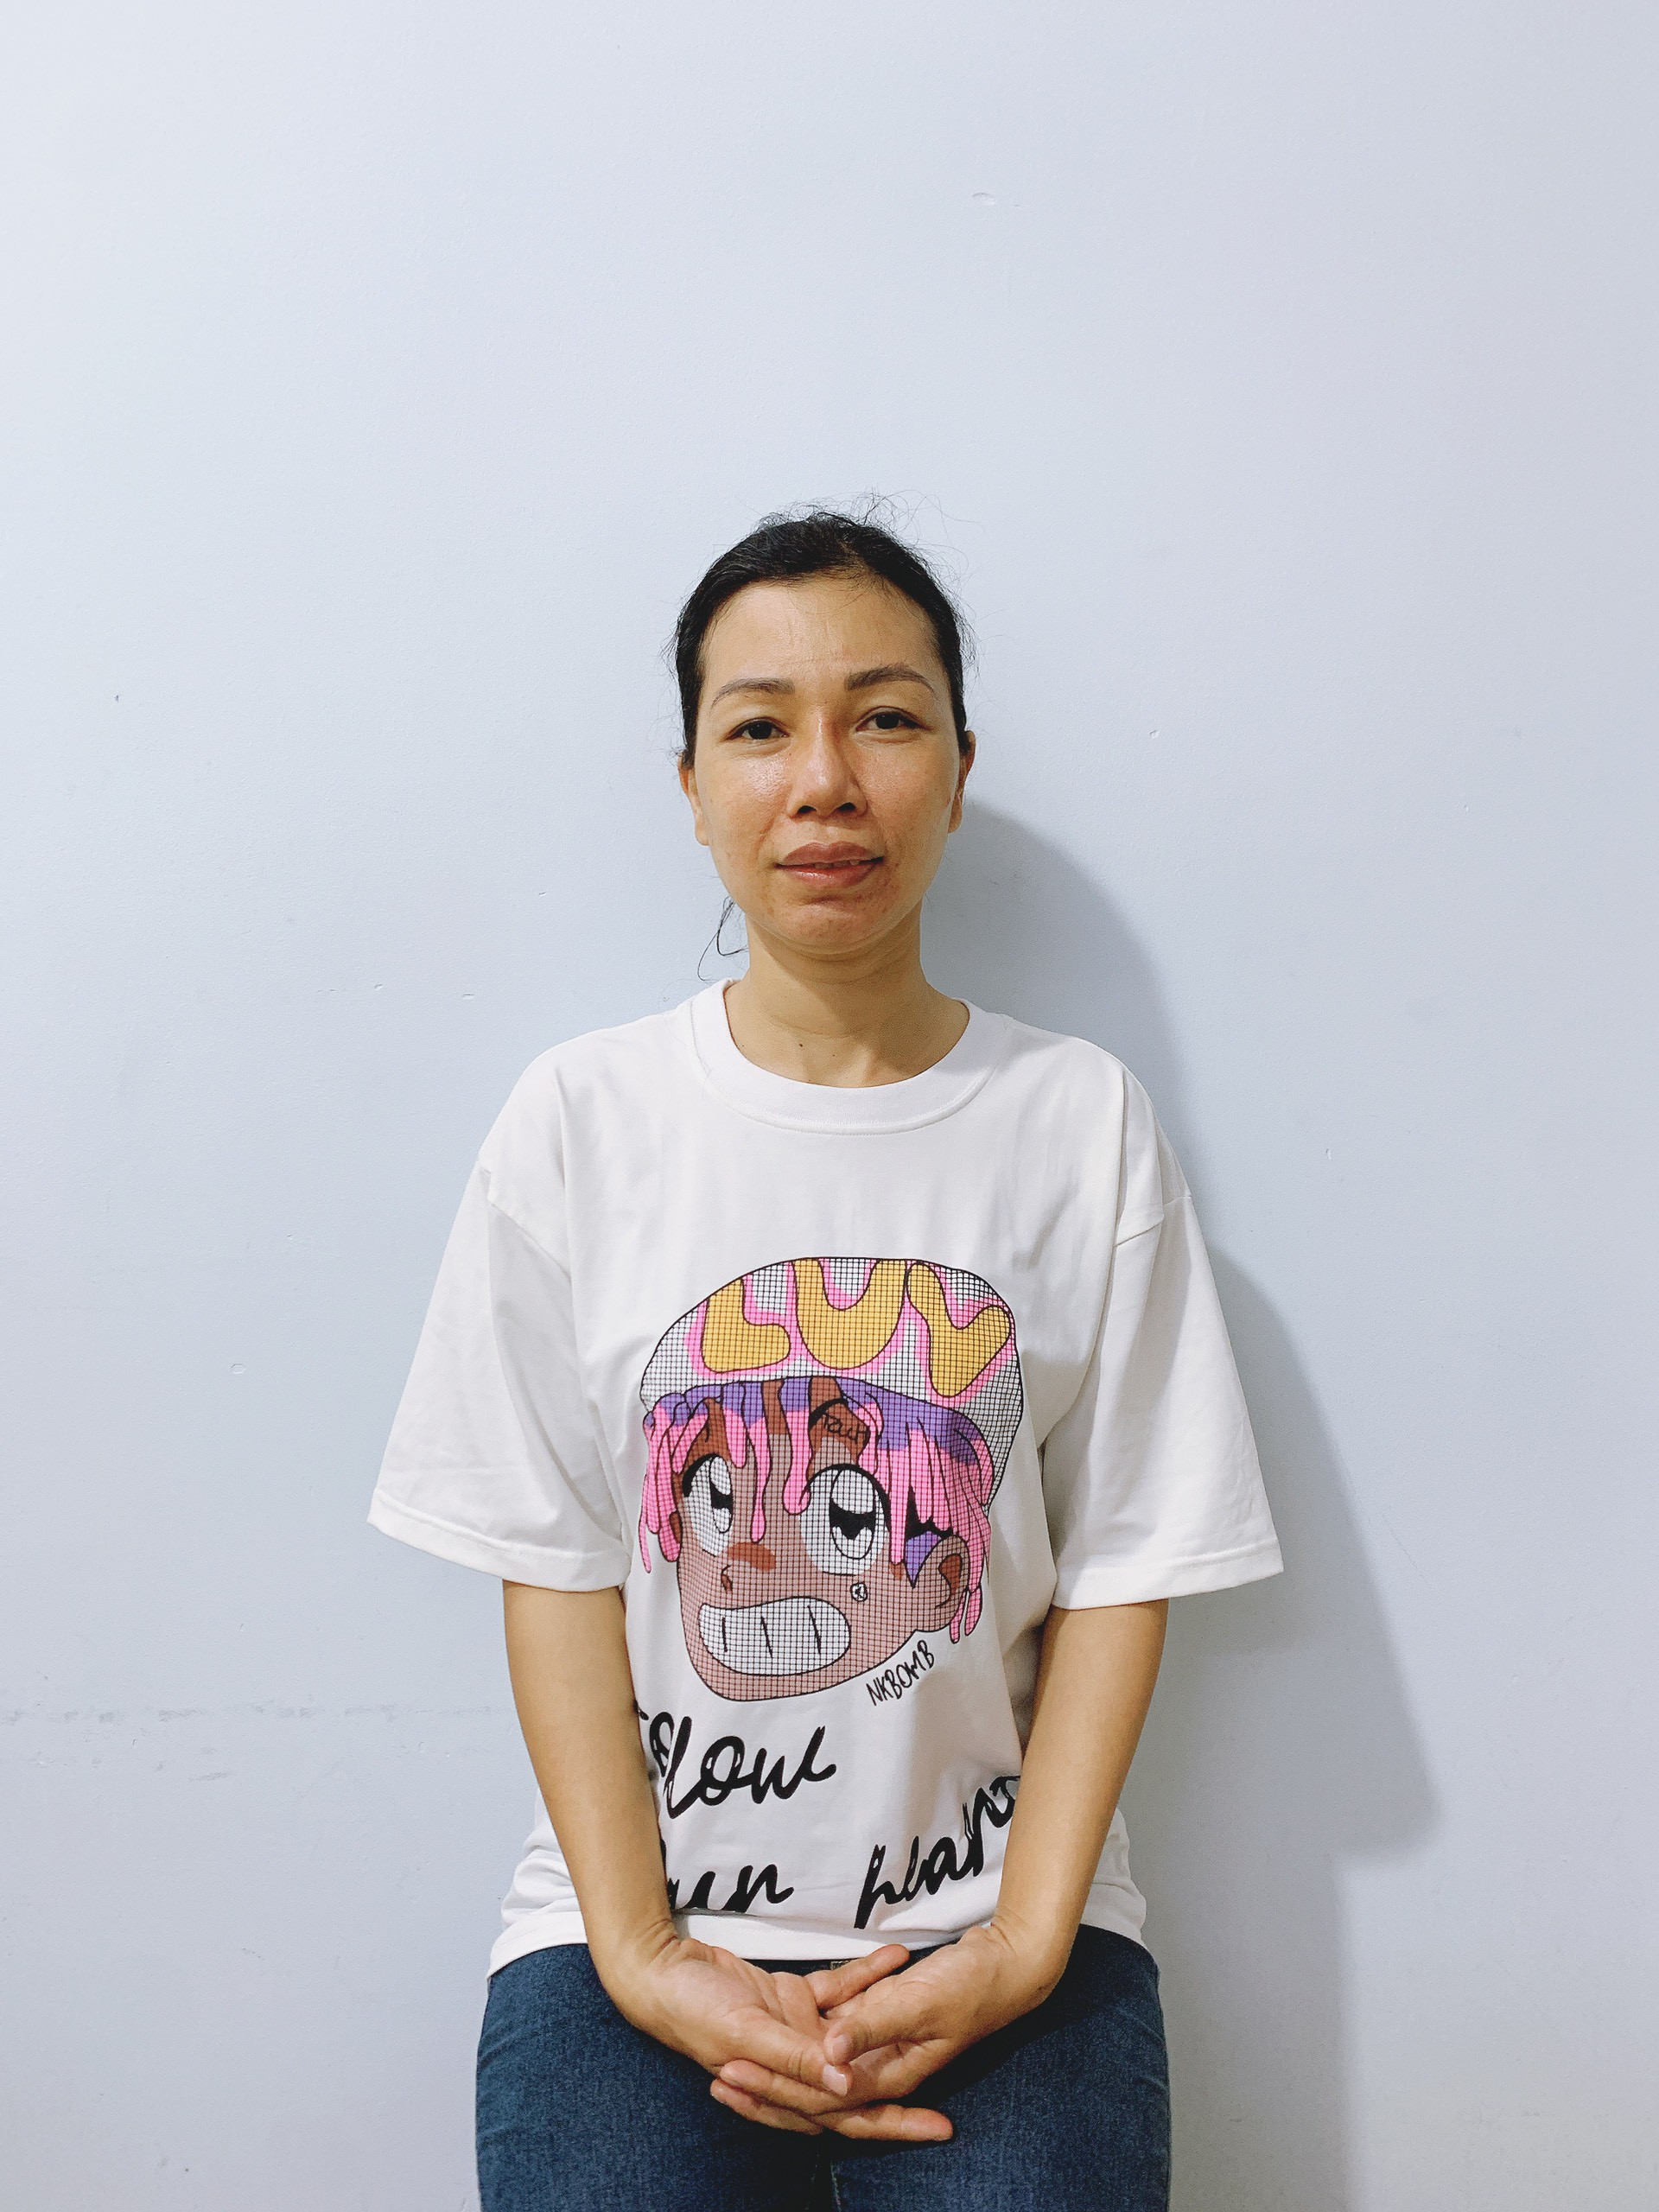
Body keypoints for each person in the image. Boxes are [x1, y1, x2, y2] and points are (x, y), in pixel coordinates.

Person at [370, 510, 1282, 2210]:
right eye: (760, 725)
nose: (824, 781)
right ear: (691, 779)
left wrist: (1022, 1939)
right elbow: (553, 1563)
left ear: (958, 766)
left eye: (885, 716)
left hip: (1006, 1923)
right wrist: (644, 1952)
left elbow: (1130, 1561)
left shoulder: (1078, 1123)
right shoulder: (578, 1122)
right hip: (630, 1924)